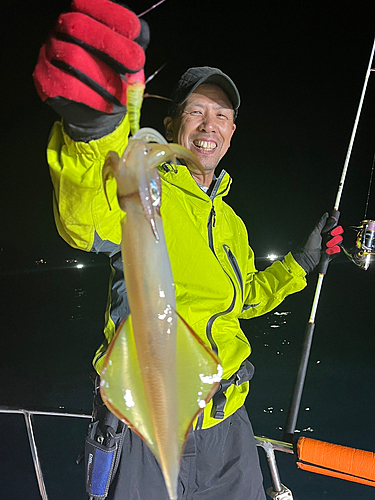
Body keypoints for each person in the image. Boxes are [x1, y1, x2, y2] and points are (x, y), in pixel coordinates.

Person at [33, 1, 343, 499]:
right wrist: (89, 134)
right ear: (175, 123)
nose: (208, 125)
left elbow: (245, 301)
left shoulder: (233, 223)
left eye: (221, 115)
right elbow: (83, 221)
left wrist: (302, 264)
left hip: (230, 430)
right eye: (196, 111)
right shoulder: (144, 187)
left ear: (232, 133)